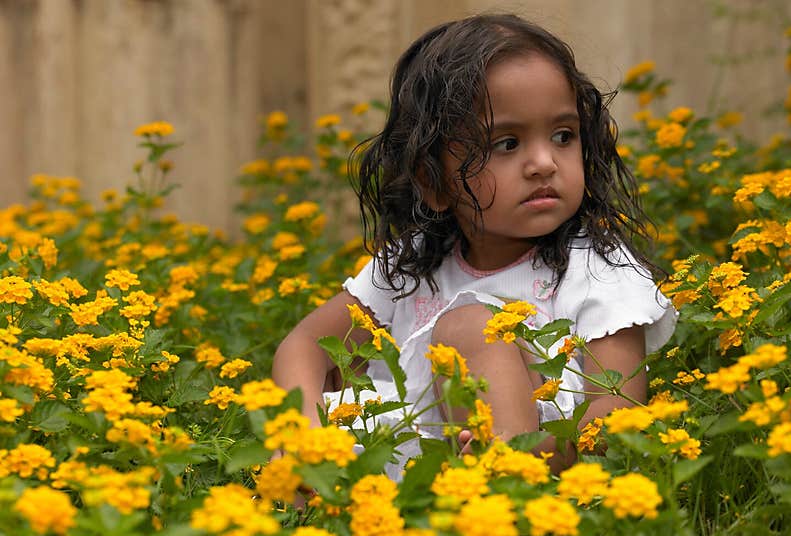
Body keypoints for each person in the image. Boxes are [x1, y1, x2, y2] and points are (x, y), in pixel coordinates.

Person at [272, 13, 677, 476]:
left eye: (563, 135)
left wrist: (532, 459)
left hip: (550, 486)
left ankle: (502, 488)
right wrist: (298, 430)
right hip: (402, 484)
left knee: (470, 328)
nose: (544, 162)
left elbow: (614, 420)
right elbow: (305, 344)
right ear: (434, 181)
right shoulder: (411, 265)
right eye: (507, 144)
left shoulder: (600, 268)